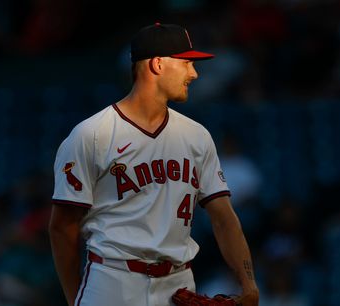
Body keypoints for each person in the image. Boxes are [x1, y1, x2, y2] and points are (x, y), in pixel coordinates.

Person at [49, 23, 259, 306]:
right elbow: (62, 227)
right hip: (113, 278)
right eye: (186, 63)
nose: (194, 73)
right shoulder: (92, 135)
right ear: (158, 64)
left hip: (178, 283)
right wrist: (76, 299)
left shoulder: (196, 135)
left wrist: (248, 283)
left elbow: (223, 216)